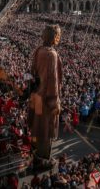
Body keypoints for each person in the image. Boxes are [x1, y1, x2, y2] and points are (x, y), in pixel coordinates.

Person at [28, 24, 63, 168]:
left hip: (36, 96)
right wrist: (55, 103)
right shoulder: (51, 54)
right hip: (46, 99)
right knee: (45, 130)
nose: (59, 38)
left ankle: (34, 151)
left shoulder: (38, 50)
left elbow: (32, 74)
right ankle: (43, 159)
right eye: (58, 35)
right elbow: (52, 80)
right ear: (54, 37)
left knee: (36, 127)